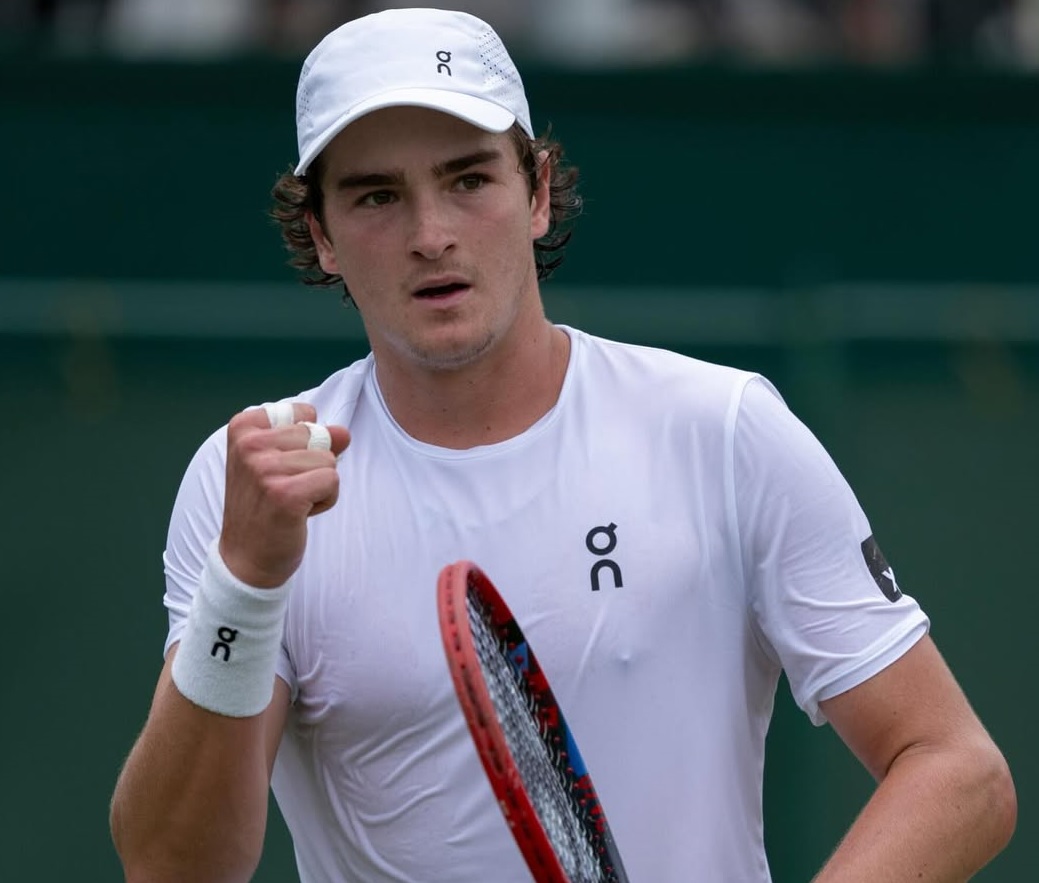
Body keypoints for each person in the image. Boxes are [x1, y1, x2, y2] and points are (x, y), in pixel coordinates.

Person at [108, 7, 1016, 882]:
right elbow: (172, 867)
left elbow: (955, 769)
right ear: (322, 236)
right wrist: (244, 582)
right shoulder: (253, 482)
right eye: (378, 196)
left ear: (537, 192)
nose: (431, 235)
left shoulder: (722, 429)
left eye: (469, 180)